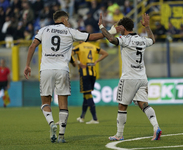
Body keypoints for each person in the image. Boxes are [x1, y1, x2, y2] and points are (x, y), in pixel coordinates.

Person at [23, 10, 106, 143]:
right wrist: (109, 33)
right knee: (63, 104)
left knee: (45, 102)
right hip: (62, 70)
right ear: (63, 20)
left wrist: (27, 65)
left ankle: (51, 123)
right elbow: (91, 37)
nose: (68, 22)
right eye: (67, 20)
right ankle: (61, 135)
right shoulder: (70, 31)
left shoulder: (44, 30)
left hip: (46, 69)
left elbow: (33, 46)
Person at [98, 13, 162, 141]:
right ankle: (156, 127)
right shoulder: (142, 39)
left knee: (122, 106)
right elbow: (152, 40)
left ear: (122, 27)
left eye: (119, 26)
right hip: (142, 77)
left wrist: (101, 26)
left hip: (129, 78)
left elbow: (111, 39)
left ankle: (119, 134)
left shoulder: (125, 39)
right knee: (144, 104)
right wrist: (147, 27)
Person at [72, 41, 108, 124]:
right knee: (86, 94)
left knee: (88, 94)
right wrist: (96, 61)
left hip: (84, 73)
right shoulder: (93, 46)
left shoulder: (79, 47)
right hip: (93, 73)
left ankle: (95, 118)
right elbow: (105, 53)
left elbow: (69, 54)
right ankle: (82, 117)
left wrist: (78, 62)